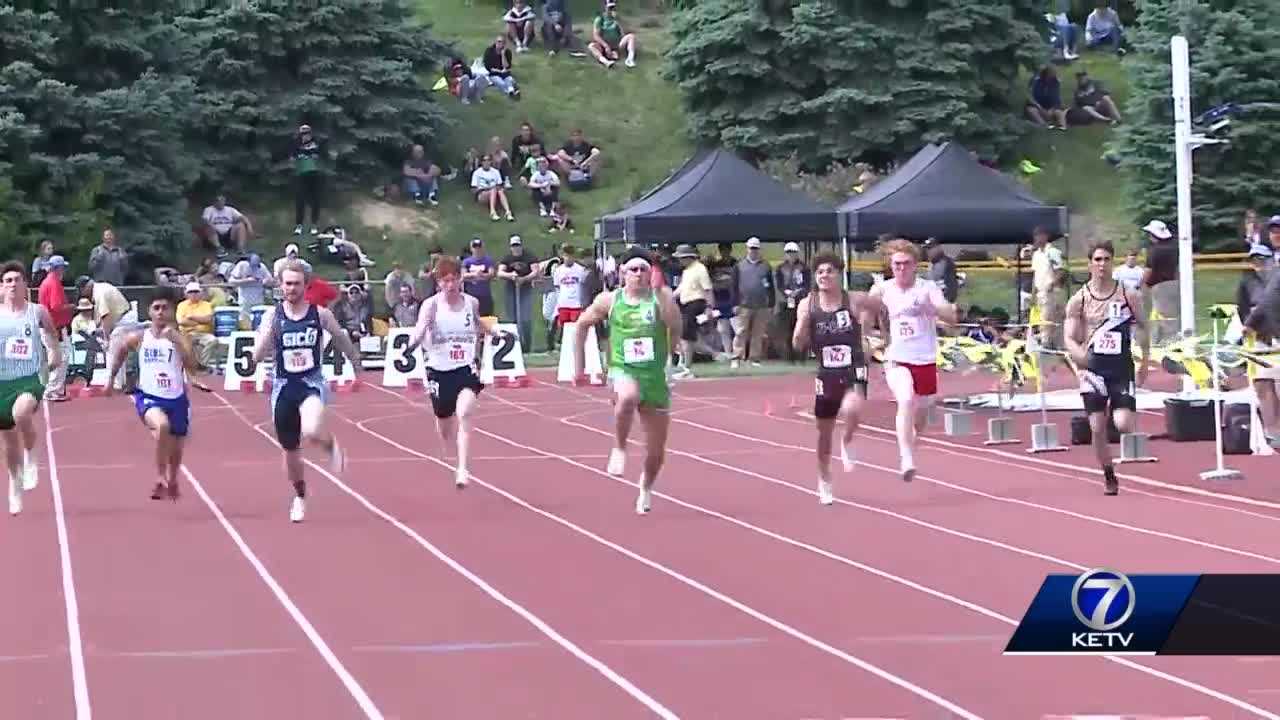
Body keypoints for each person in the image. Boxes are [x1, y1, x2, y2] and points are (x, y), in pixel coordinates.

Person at [251, 261, 363, 522]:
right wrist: (262, 345)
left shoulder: (320, 314)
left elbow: (340, 338)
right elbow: (258, 352)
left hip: (311, 383)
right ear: (280, 285)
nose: (291, 288)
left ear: (306, 285)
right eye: (287, 284)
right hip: (283, 388)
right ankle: (300, 496)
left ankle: (330, 445)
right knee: (290, 451)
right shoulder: (273, 315)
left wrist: (356, 365)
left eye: (296, 284)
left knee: (311, 430)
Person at [573, 247, 681, 514]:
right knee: (628, 397)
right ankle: (619, 447)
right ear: (622, 273)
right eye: (633, 269)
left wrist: (670, 357)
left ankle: (645, 487)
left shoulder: (660, 298)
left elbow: (675, 325)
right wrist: (580, 367)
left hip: (654, 377)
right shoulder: (610, 300)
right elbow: (581, 325)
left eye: (644, 269)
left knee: (656, 453)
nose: (638, 274)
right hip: (623, 369)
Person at [405, 257, 508, 489]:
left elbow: (477, 323)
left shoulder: (471, 302)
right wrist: (411, 345)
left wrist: (495, 332)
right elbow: (420, 328)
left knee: (465, 414)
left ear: (461, 279)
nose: (450, 285)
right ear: (438, 282)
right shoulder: (431, 306)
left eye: (454, 280)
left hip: (465, 369)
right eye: (445, 281)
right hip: (439, 371)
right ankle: (455, 459)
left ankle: (462, 468)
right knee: (444, 423)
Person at [104, 287, 211, 501]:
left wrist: (179, 342)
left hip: (177, 399)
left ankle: (172, 479)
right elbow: (120, 352)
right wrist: (110, 380)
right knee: (162, 426)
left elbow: (192, 365)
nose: (161, 312)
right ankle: (160, 477)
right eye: (156, 308)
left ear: (172, 311)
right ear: (150, 312)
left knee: (177, 447)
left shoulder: (179, 338)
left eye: (165, 308)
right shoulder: (140, 338)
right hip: (150, 397)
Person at [864, 239, 957, 482]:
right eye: (897, 264)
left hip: (925, 359)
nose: (901, 269)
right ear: (890, 265)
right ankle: (906, 458)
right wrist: (865, 336)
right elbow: (866, 312)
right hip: (897, 358)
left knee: (922, 414)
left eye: (906, 264)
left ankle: (911, 443)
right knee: (905, 400)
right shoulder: (883, 289)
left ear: (916, 265)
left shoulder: (927, 288)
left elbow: (950, 313)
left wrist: (934, 308)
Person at [1063, 240, 1150, 496]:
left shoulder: (1128, 294)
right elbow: (1068, 335)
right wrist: (1078, 355)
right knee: (1096, 428)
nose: (1102, 265)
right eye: (1097, 260)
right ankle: (1109, 474)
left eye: (1107, 259)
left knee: (1123, 424)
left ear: (1113, 262)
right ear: (1090, 263)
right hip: (1094, 368)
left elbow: (1144, 327)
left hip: (1121, 366)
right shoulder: (1079, 299)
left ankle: (1117, 404)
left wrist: (1145, 360)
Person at [792, 254, 871, 505]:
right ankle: (824, 479)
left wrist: (877, 335)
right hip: (826, 372)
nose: (824, 276)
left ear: (839, 274)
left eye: (829, 271)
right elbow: (797, 344)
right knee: (823, 433)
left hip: (854, 367)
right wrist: (804, 322)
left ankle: (848, 439)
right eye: (820, 272)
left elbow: (883, 307)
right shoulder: (808, 304)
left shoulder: (854, 300)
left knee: (853, 406)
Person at [0, 261, 63, 515]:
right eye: (8, 281)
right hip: (2, 382)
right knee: (7, 444)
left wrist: (55, 352)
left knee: (21, 413)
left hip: (29, 378)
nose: (13, 284)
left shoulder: (36, 312)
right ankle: (14, 484)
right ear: (1, 287)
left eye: (18, 279)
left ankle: (32, 458)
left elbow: (52, 334)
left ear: (26, 284)